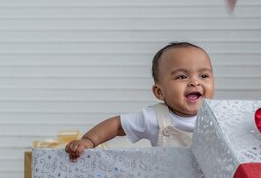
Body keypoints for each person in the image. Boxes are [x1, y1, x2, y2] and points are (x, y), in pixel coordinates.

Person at [65, 42, 214, 160]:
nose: (195, 82)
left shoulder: (220, 115)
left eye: (204, 76)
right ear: (159, 92)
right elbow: (117, 125)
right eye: (182, 76)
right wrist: (88, 141)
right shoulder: (155, 118)